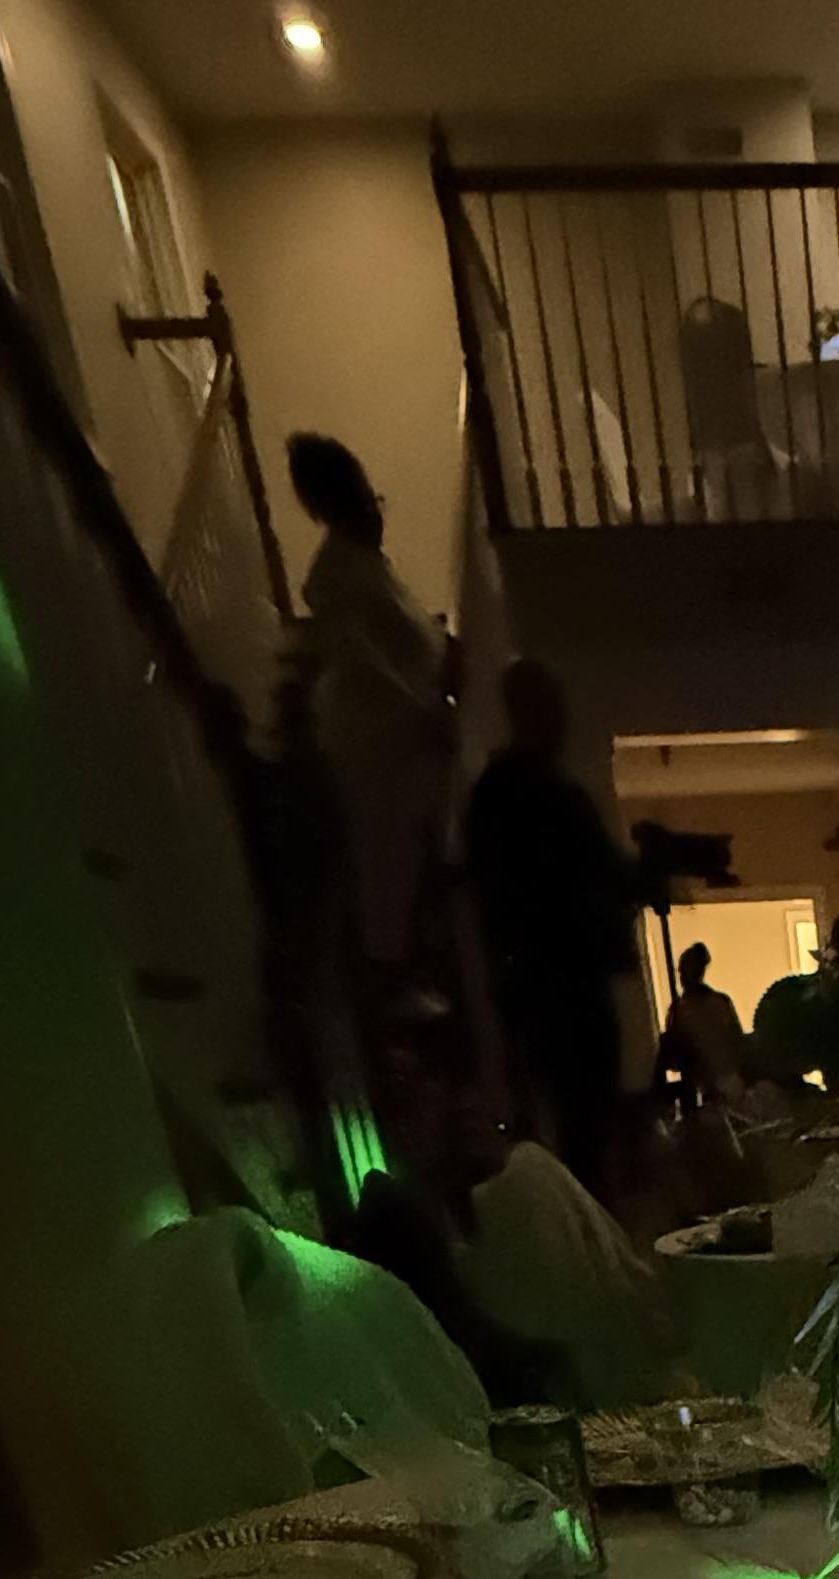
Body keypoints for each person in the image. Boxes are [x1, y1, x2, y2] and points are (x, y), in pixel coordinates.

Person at [464, 658, 643, 1201]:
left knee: (575, 1126)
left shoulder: (509, 793)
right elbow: (592, 877)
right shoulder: (532, 795)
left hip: (542, 987)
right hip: (557, 987)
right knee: (577, 1127)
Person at [282, 430, 450, 977]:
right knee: (391, 864)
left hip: (402, 736)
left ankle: (402, 963)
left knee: (404, 860)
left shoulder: (364, 564)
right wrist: (421, 712)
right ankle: (394, 971)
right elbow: (363, 660)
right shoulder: (334, 577)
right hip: (384, 743)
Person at [656, 939, 752, 1109]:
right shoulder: (680, 1009)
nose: (682, 977)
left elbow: (735, 1040)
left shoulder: (715, 1003)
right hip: (698, 1084)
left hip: (724, 1080)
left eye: (685, 972)